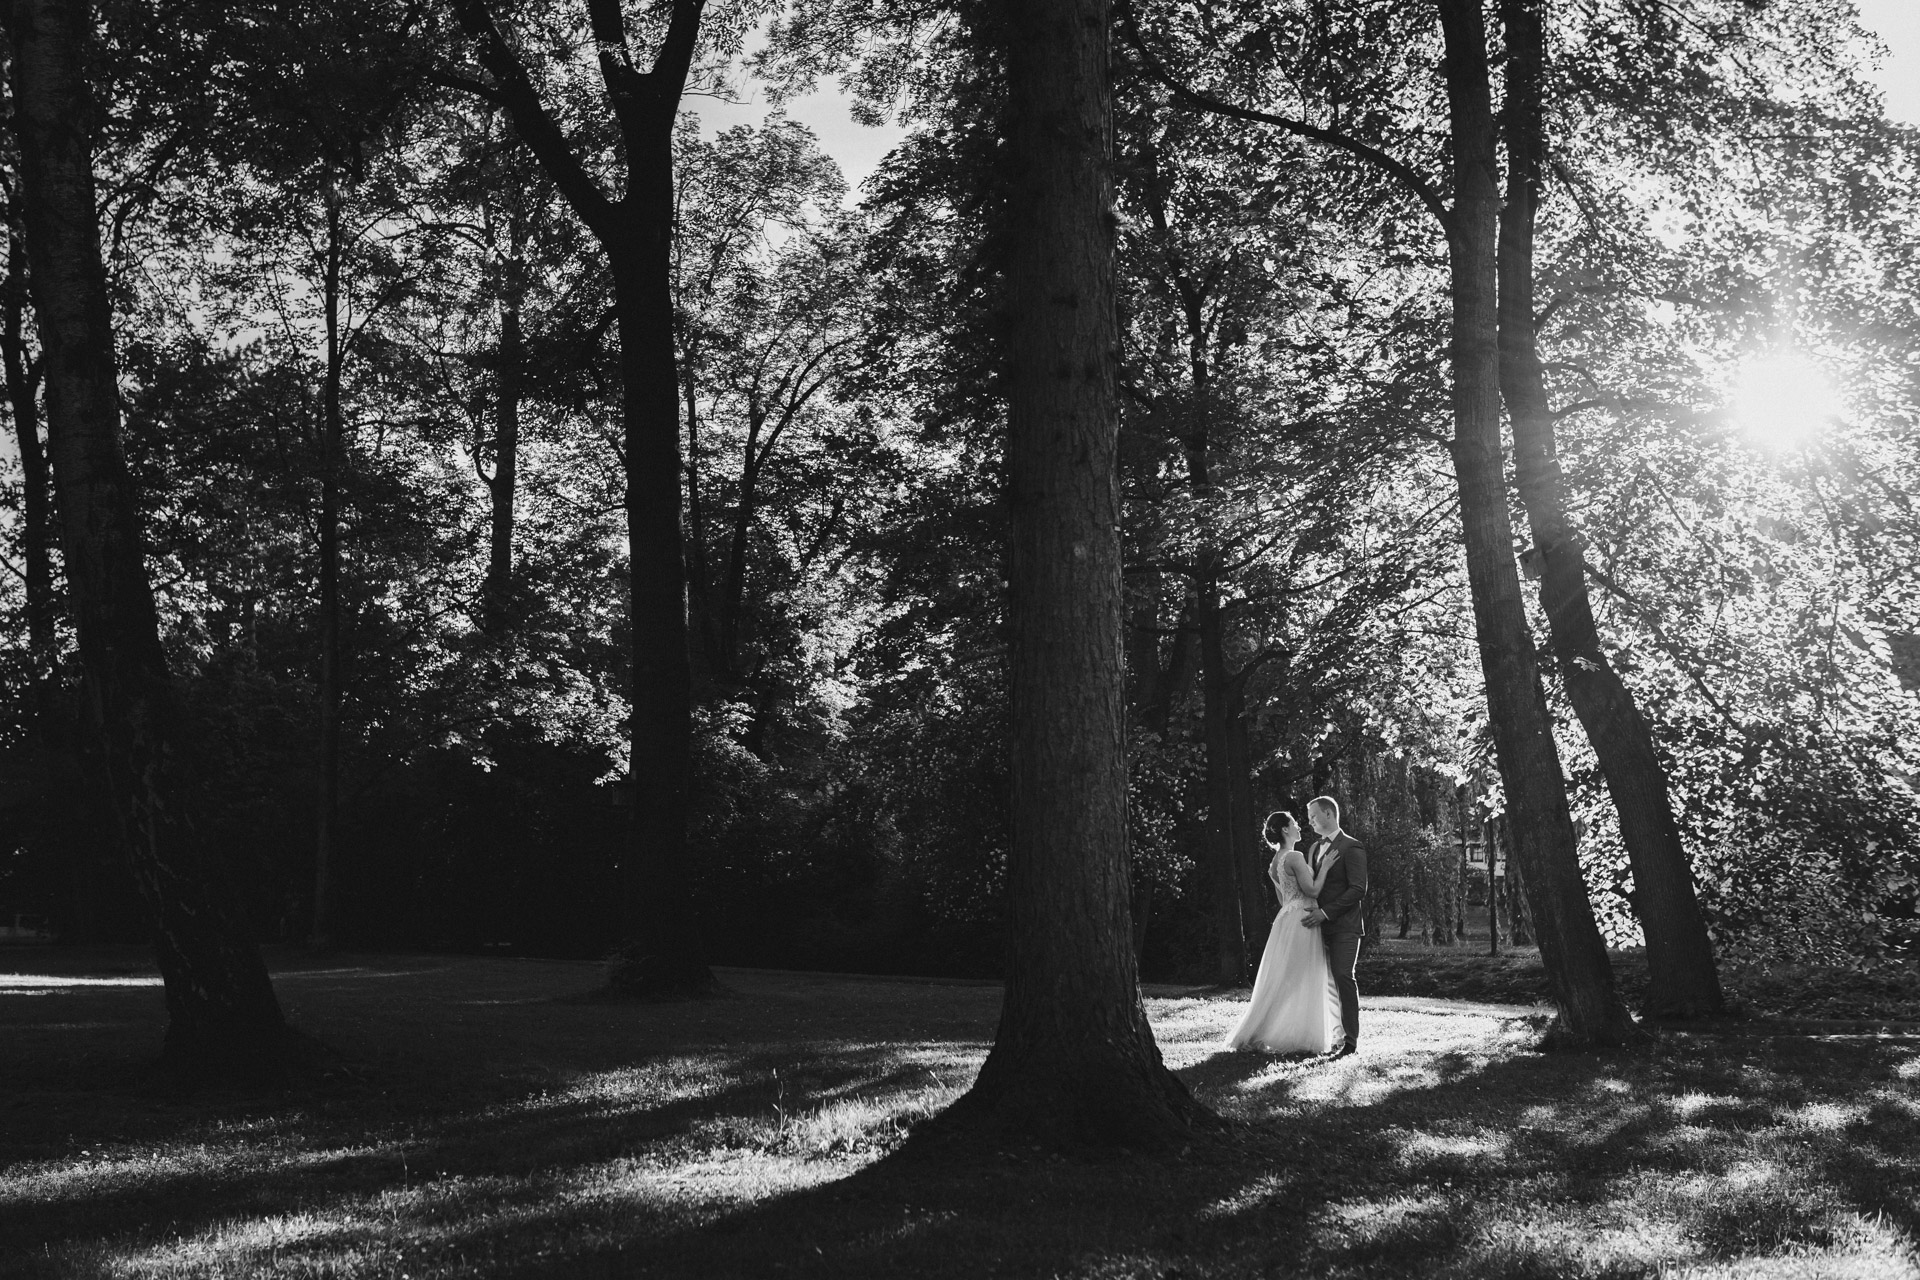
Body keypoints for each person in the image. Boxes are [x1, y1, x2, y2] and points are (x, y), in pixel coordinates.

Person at [1223, 808, 1343, 1054]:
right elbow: (1311, 891)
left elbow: (1283, 899)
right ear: (1286, 829)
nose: (1299, 826)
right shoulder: (1295, 857)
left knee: (1283, 976)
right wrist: (1326, 867)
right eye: (1295, 823)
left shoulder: (1274, 862)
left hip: (1285, 919)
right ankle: (1300, 1034)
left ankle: (1261, 1029)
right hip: (1302, 919)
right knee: (1304, 974)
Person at [1300, 795, 1368, 1059]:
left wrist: (1326, 913)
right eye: (1308, 818)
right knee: (1320, 983)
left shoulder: (1352, 847)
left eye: (1314, 816)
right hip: (1315, 927)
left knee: (1342, 976)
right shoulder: (1313, 848)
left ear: (1329, 814)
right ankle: (1324, 1036)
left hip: (1344, 927)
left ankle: (1350, 1042)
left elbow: (1358, 889)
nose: (1310, 822)